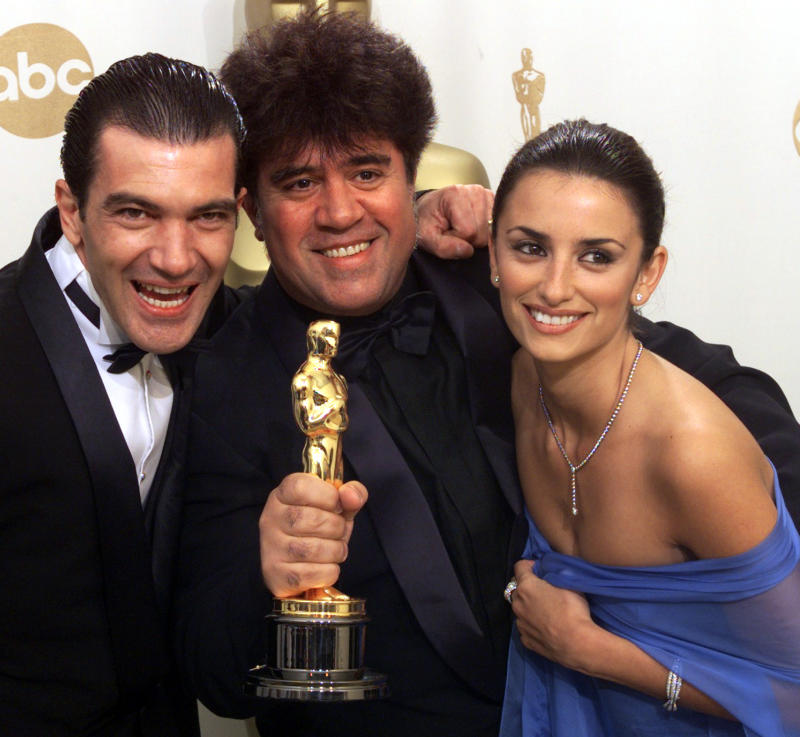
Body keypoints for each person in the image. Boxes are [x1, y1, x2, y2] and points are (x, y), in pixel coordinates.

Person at [173, 11, 800, 737]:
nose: (340, 210)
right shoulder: (221, 376)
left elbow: (696, 376)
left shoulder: (488, 273)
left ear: (411, 178)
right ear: (251, 208)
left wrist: (757, 527)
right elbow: (213, 674)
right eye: (300, 182)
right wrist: (265, 575)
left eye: (368, 172)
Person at [0, 53, 246, 735]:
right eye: (137, 214)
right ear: (72, 212)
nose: (176, 258)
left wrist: (442, 213)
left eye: (205, 217)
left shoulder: (229, 329)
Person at [491, 120, 800, 736]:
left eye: (596, 256)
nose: (554, 287)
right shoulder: (524, 380)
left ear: (648, 274)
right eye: (529, 247)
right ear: (492, 252)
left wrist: (593, 651)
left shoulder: (691, 455)